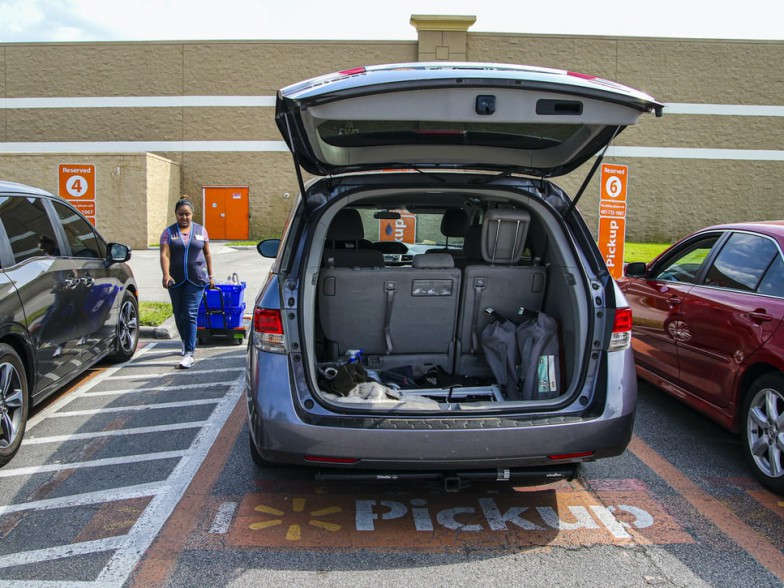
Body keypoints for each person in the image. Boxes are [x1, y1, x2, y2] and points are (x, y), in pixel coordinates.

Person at [159, 197, 215, 368]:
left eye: (187, 214)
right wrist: (166, 275)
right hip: (175, 278)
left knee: (190, 312)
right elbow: (165, 254)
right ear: (176, 214)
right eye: (181, 214)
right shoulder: (168, 232)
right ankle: (185, 340)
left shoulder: (201, 230)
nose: (184, 217)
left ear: (192, 214)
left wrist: (211, 275)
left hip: (196, 278)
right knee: (179, 312)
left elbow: (207, 254)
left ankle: (190, 353)